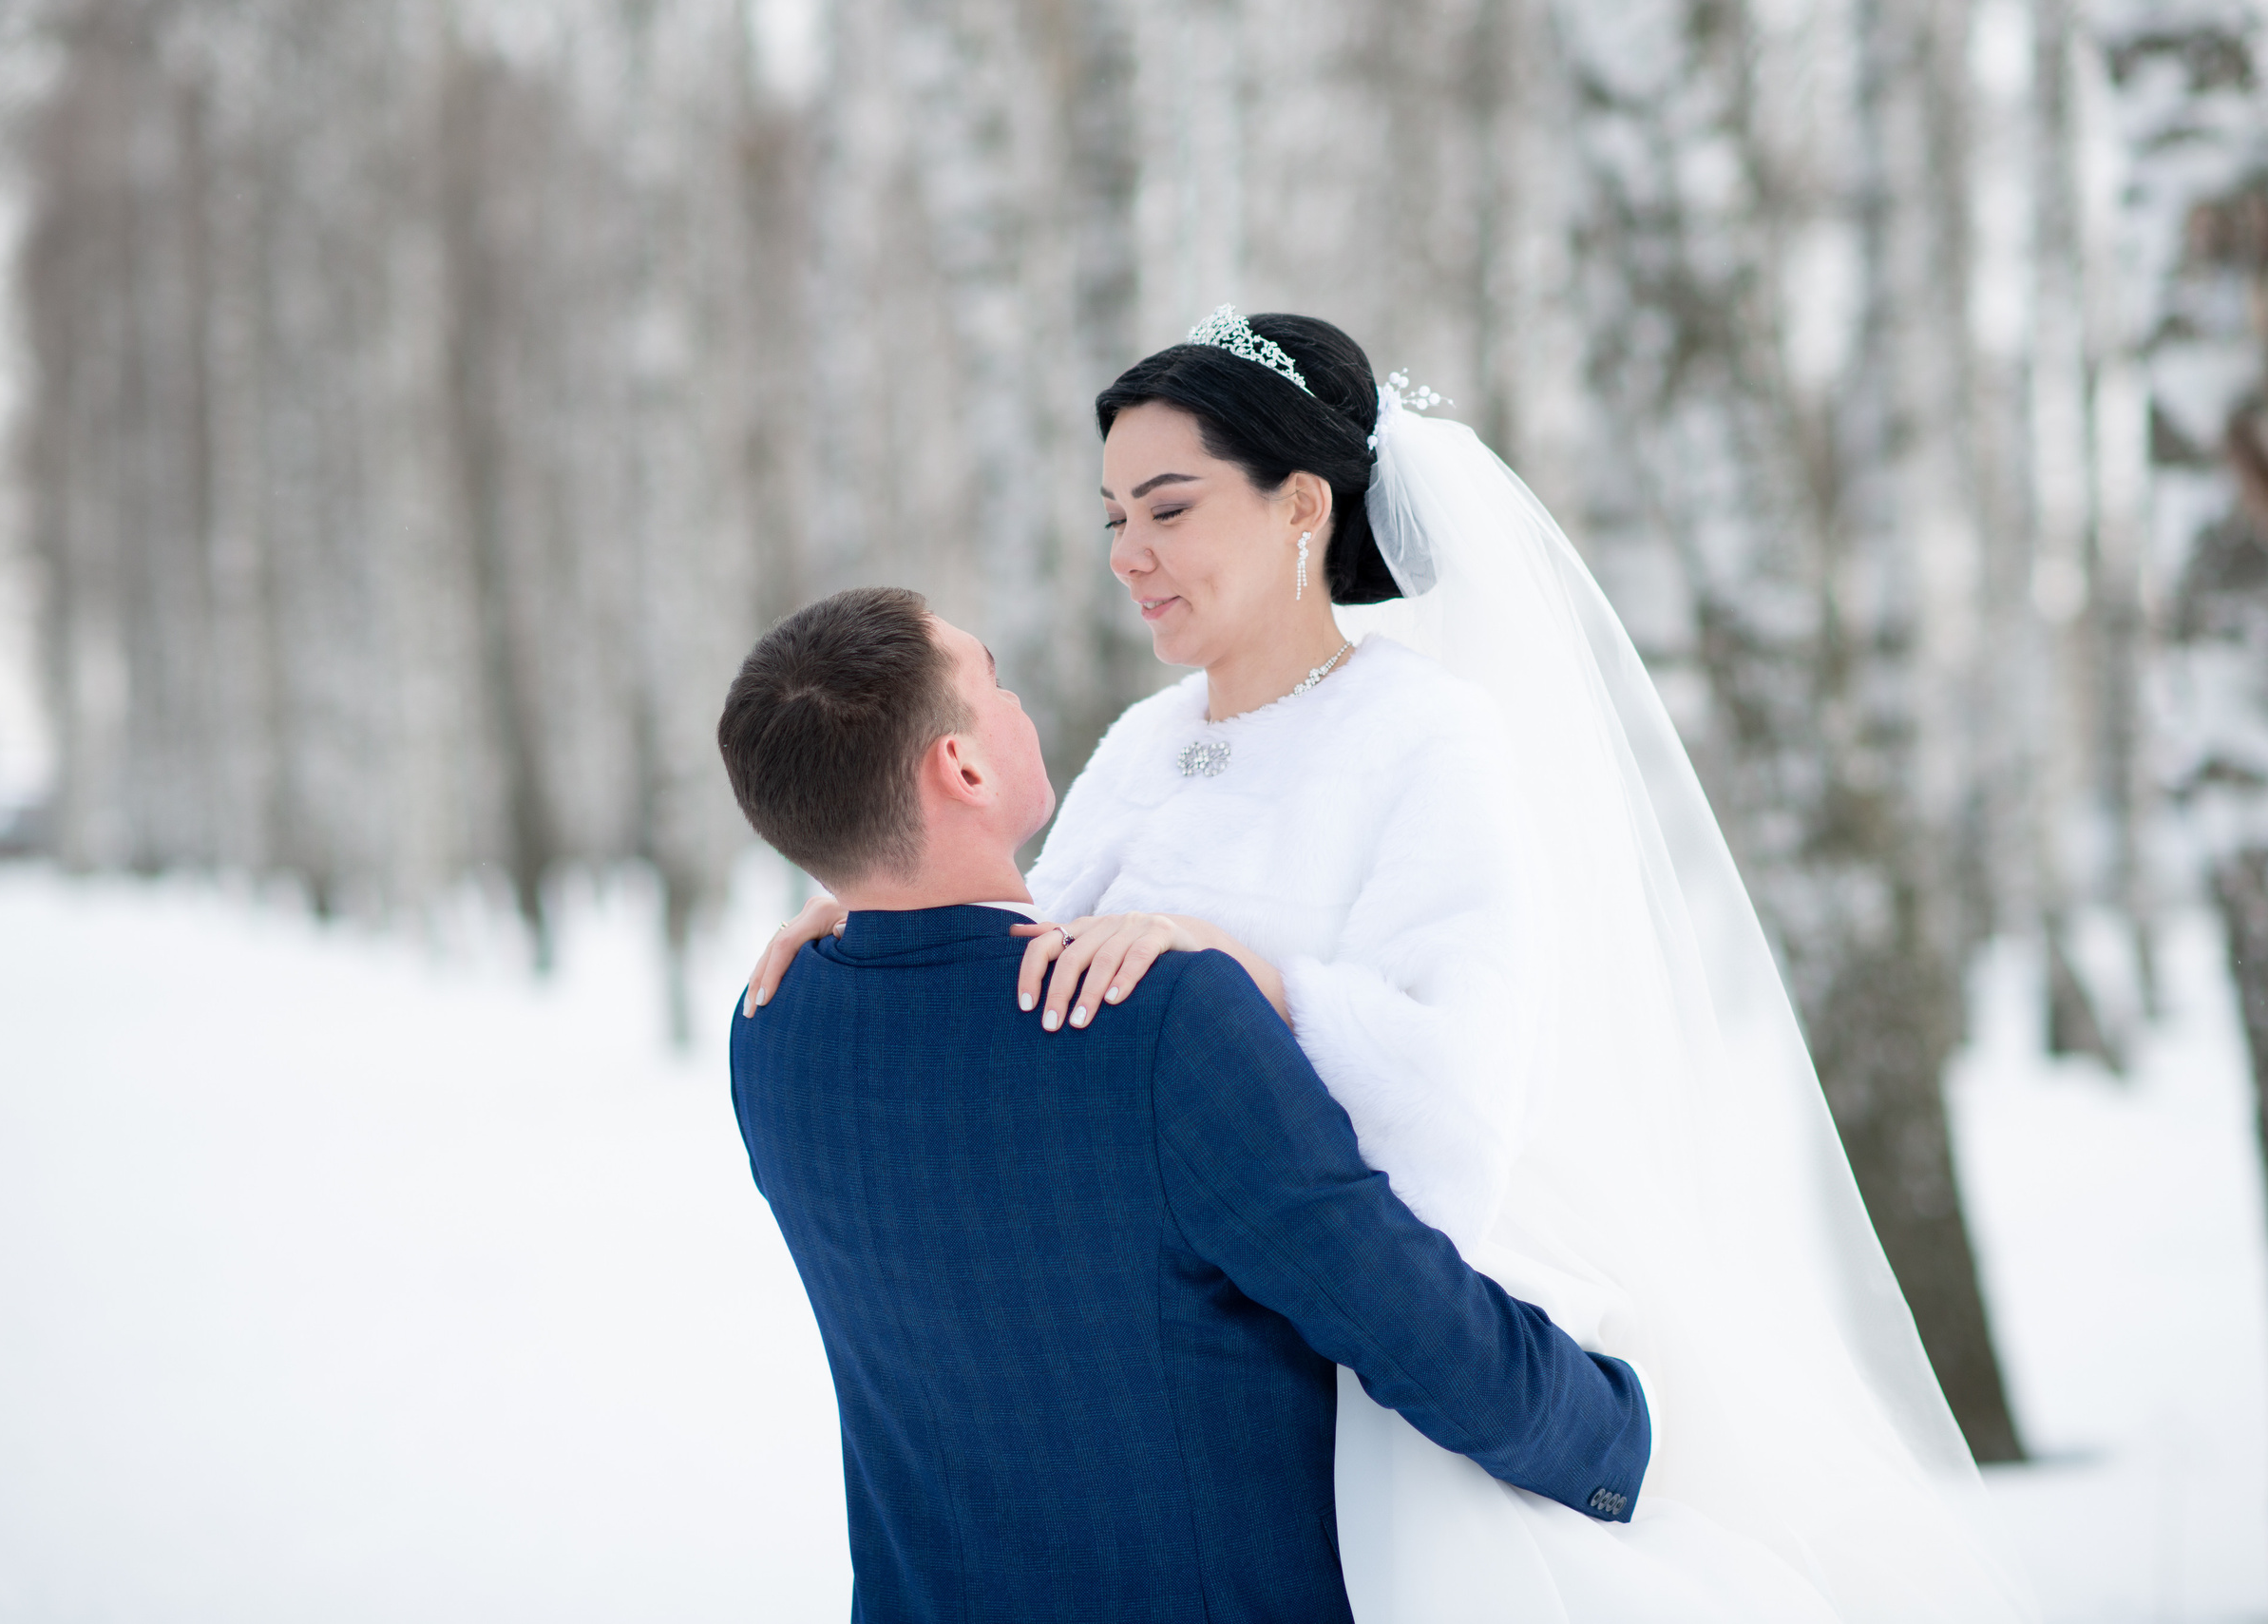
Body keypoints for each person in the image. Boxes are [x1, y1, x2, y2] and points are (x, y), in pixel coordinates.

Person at [745, 312, 2035, 1621]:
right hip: (1202, 1335)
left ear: (1302, 504)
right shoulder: (1143, 742)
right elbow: (1036, 977)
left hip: (1380, 1355)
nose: (1130, 556)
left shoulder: (1427, 740)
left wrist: (1262, 983)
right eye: (1113, 518)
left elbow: (1458, 1103)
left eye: (1169, 509)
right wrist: (867, 914)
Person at [719, 585, 1651, 1623]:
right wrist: (1614, 1439)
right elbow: (1412, 1326)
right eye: (994, 681)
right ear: (963, 766)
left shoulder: (770, 1023)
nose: (1018, 703)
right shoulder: (1156, 1021)